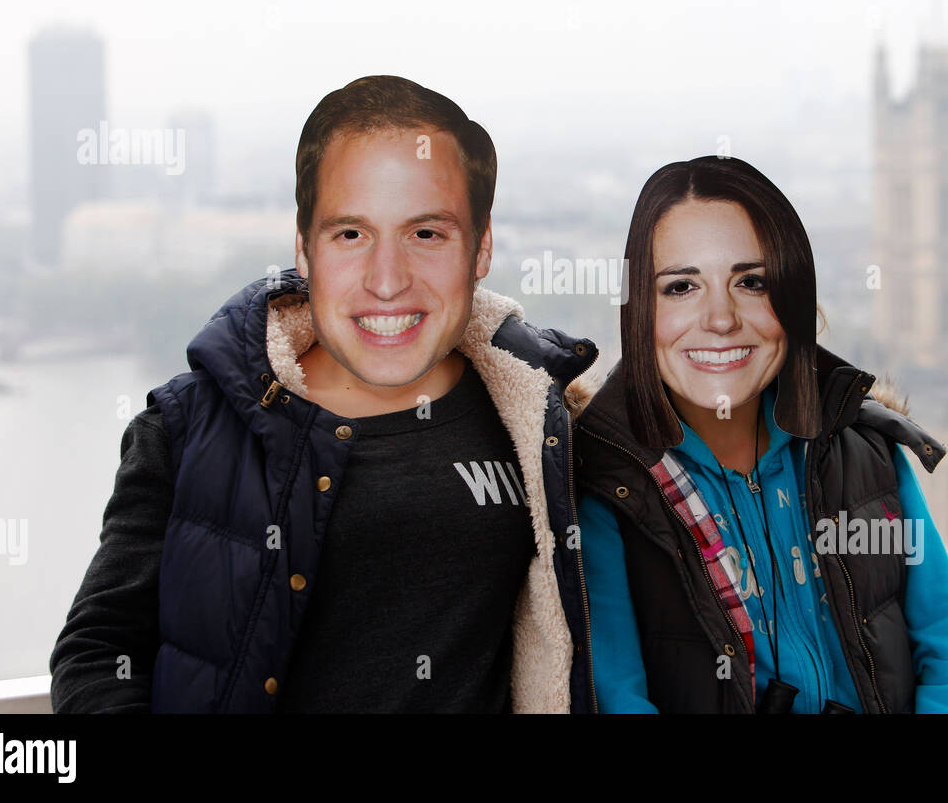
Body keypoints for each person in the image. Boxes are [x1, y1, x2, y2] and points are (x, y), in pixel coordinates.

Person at [50, 75, 598, 712]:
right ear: (303, 252)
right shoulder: (189, 428)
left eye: (426, 234)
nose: (387, 281)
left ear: (481, 248)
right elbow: (98, 652)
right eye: (350, 234)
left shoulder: (543, 419)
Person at [568, 155, 948, 713]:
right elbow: (618, 700)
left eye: (751, 282)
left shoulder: (863, 449)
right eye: (680, 287)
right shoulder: (605, 489)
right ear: (640, 309)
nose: (720, 318)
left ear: (791, 299)